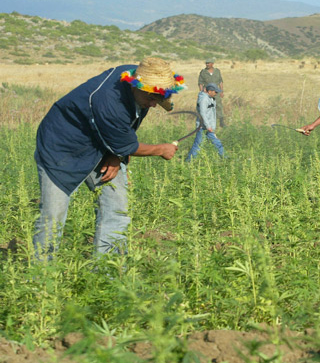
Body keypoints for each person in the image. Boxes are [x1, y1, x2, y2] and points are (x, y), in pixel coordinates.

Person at [33, 57, 186, 260]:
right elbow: (127, 143)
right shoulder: (108, 100)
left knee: (117, 208)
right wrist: (160, 149)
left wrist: (115, 156)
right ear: (135, 85)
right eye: (150, 97)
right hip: (61, 147)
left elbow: (125, 130)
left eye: (159, 97)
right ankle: (41, 278)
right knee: (53, 216)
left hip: (101, 145)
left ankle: (109, 272)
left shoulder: (138, 84)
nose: (153, 104)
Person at [185, 83, 226, 161]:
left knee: (217, 143)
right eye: (215, 92)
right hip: (203, 127)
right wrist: (208, 127)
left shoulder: (210, 98)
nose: (216, 93)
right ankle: (189, 161)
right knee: (198, 145)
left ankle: (225, 157)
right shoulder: (203, 99)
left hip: (208, 127)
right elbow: (203, 113)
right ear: (209, 91)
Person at [198, 58, 226, 127]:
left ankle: (221, 122)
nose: (207, 64)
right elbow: (200, 83)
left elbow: (220, 81)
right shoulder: (203, 72)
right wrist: (202, 92)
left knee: (219, 106)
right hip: (207, 93)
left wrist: (222, 91)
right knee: (208, 107)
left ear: (212, 64)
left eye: (208, 63)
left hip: (216, 92)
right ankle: (207, 122)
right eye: (206, 63)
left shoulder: (217, 71)